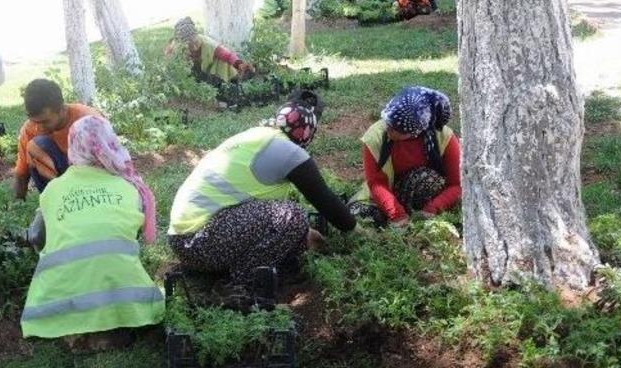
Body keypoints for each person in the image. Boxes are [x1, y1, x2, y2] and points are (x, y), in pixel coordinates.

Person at [168, 96, 357, 281]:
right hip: (200, 243)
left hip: (184, 242)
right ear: (307, 131)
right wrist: (356, 229)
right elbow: (325, 201)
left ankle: (230, 269)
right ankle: (247, 277)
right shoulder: (289, 151)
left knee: (289, 224)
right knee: (291, 216)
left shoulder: (257, 135)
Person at [22, 116, 164, 341]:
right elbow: (128, 235)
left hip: (58, 305)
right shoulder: (129, 188)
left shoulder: (53, 190)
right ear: (110, 143)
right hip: (127, 301)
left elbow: (37, 235)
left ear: (73, 145)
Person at [348, 86, 461, 227]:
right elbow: (376, 183)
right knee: (358, 216)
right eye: (387, 121)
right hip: (384, 195)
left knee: (427, 179)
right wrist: (396, 214)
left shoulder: (444, 137)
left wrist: (433, 209)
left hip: (421, 194)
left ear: (415, 131)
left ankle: (414, 217)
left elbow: (458, 184)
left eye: (395, 128)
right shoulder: (375, 136)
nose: (388, 128)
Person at [14, 79, 100, 200]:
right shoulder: (30, 128)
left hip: (94, 182)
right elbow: (22, 172)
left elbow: (110, 162)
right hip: (62, 183)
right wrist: (18, 203)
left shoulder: (87, 120)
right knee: (35, 146)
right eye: (35, 122)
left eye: (45, 121)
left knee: (40, 144)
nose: (39, 127)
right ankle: (57, 202)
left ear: (61, 109)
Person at [164, 17, 254, 86]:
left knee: (221, 66)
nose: (194, 47)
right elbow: (169, 60)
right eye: (189, 45)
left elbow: (227, 55)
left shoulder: (208, 44)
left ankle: (226, 82)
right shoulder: (178, 48)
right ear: (183, 44)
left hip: (211, 70)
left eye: (195, 42)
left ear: (197, 35)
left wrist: (239, 64)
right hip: (194, 71)